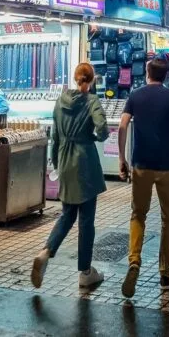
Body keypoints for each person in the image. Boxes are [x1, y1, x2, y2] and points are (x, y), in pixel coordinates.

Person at [31, 63, 108, 290]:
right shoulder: (91, 101)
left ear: (76, 78)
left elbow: (55, 137)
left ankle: (46, 252)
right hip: (85, 163)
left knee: (67, 214)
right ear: (91, 80)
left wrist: (57, 163)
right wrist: (94, 138)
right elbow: (103, 129)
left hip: (64, 160)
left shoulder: (60, 101)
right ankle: (85, 272)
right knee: (86, 220)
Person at [118, 57, 169, 298]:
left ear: (147, 73)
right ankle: (165, 273)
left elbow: (122, 126)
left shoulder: (135, 96)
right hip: (166, 166)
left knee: (138, 214)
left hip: (141, 165)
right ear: (166, 75)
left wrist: (122, 158)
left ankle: (134, 262)